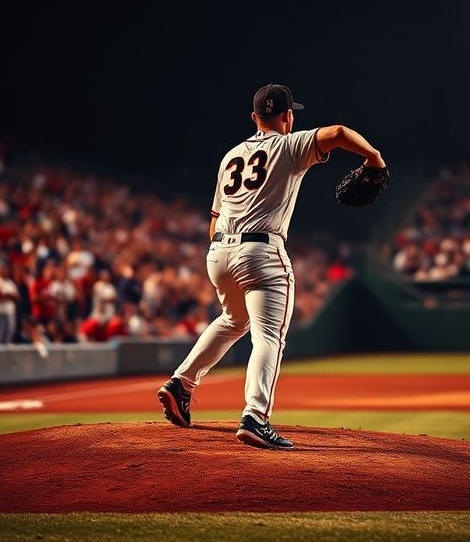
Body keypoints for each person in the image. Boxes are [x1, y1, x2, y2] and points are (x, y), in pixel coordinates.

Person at [157, 84, 385, 449]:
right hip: (261, 251)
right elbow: (340, 134)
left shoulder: (230, 155)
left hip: (218, 253)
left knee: (233, 320)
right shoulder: (289, 145)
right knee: (269, 337)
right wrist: (374, 158)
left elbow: (214, 221)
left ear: (254, 118)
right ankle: (255, 417)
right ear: (288, 116)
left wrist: (228, 251)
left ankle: (180, 384)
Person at [0, 262, 19, 345]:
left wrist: (6, 295)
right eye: (1, 269)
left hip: (9, 313)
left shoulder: (10, 282)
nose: (3, 271)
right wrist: (8, 295)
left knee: (7, 337)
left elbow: (16, 297)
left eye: (5, 269)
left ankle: (4, 357)